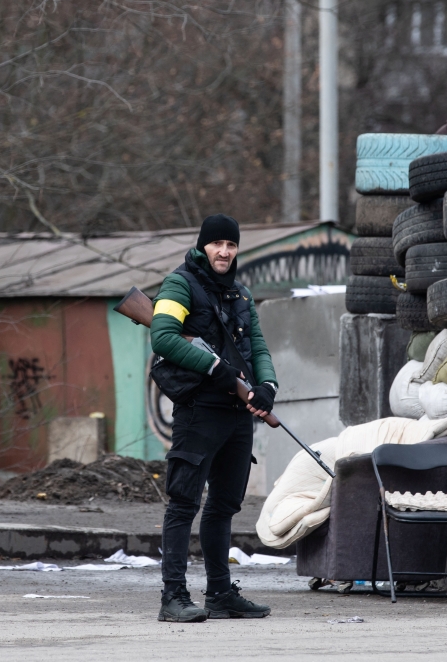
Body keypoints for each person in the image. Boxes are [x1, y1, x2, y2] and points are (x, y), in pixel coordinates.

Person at [150, 213, 279, 623]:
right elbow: (164, 336)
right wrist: (214, 368)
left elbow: (258, 347)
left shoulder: (241, 294)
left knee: (223, 505)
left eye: (232, 245)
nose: (224, 252)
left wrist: (267, 387)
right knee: (183, 503)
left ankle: (221, 594)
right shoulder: (178, 284)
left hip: (237, 414)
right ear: (203, 245)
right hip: (199, 410)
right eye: (217, 244)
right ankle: (173, 598)